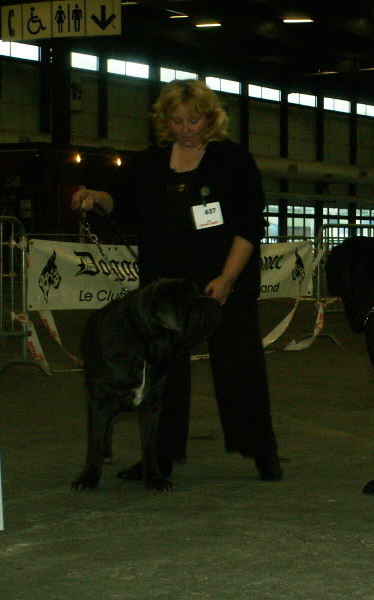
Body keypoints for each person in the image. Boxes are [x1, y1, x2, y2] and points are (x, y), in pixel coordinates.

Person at [71, 79, 282, 482]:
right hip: (163, 290)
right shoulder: (149, 162)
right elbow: (123, 201)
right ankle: (158, 457)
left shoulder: (232, 161)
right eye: (177, 120)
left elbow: (249, 226)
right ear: (165, 121)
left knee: (240, 367)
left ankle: (262, 453)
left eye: (194, 120)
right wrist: (96, 197)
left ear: (210, 119)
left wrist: (226, 278)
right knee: (160, 373)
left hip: (222, 283)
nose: (185, 128)